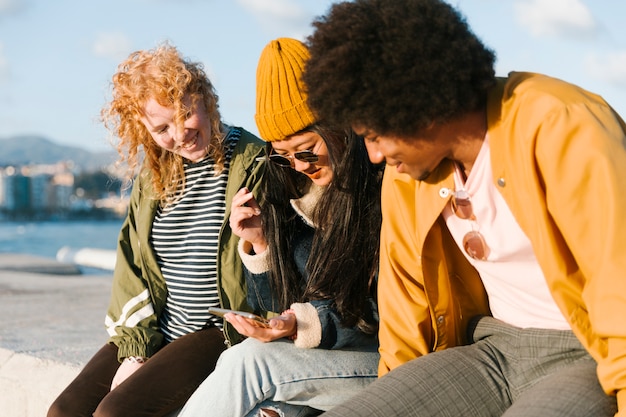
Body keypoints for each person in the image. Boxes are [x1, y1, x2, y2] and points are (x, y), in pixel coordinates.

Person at [300, 0, 626, 416]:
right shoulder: (406, 179)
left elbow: (620, 285)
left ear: (420, 103)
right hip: (491, 349)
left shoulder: (562, 125)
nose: (375, 155)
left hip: (585, 350)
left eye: (376, 134)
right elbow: (405, 309)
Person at [47, 43, 265, 417]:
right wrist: (136, 347)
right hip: (160, 326)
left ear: (204, 98)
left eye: (184, 114)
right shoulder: (153, 179)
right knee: (64, 411)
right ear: (145, 130)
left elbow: (283, 263)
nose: (179, 134)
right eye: (162, 127)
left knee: (116, 413)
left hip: (219, 330)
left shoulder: (252, 161)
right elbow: (131, 265)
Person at [178, 38, 383, 417]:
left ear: (339, 127)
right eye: (284, 155)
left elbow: (386, 311)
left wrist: (300, 324)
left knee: (248, 362)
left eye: (306, 150)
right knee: (265, 410)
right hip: (323, 362)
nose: (299, 165)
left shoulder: (381, 187)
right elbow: (278, 308)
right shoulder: (286, 189)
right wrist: (260, 246)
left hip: (384, 359)